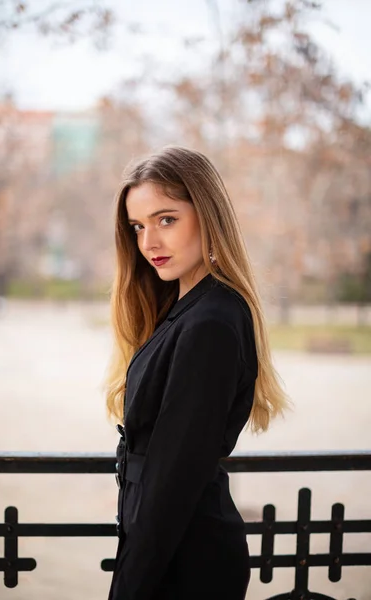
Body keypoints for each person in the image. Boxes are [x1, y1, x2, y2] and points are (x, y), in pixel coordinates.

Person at [105, 145, 290, 600]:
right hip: (173, 550)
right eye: (138, 226)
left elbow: (173, 481)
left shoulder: (211, 321)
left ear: (207, 215)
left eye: (166, 220)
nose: (149, 242)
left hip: (187, 564)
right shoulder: (183, 309)